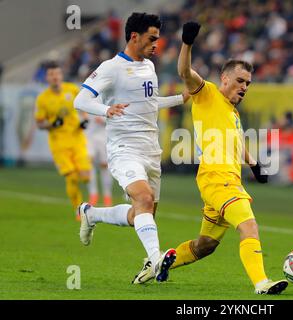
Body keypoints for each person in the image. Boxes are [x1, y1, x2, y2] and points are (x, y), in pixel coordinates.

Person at [171, 21, 288, 295]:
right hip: (217, 180)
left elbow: (237, 142)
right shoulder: (208, 93)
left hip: (223, 180)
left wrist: (255, 165)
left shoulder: (233, 114)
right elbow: (185, 72)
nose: (245, 86)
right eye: (239, 80)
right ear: (224, 79)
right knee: (249, 225)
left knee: (205, 246)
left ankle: (155, 264)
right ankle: (262, 283)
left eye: (248, 83)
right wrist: (187, 43)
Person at [74, 13, 189, 284]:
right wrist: (106, 109)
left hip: (151, 150)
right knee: (144, 200)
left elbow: (149, 103)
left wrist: (179, 98)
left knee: (141, 212)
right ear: (134, 36)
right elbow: (81, 100)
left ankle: (92, 214)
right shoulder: (111, 68)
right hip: (124, 149)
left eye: (158, 39)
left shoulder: (149, 66)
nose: (156, 44)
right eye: (152, 39)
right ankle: (156, 258)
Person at [34, 61, 92, 218]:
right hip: (58, 143)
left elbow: (83, 106)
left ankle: (84, 203)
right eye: (51, 74)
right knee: (72, 177)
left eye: (57, 74)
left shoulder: (72, 89)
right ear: (47, 77)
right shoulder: (42, 99)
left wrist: (84, 120)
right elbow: (39, 123)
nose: (55, 77)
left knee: (86, 176)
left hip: (77, 138)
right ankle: (79, 211)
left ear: (61, 75)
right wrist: (52, 124)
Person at [85, 114, 113, 206]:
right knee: (88, 164)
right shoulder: (86, 100)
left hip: (104, 137)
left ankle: (107, 196)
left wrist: (104, 119)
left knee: (105, 166)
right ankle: (93, 195)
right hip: (89, 137)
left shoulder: (104, 100)